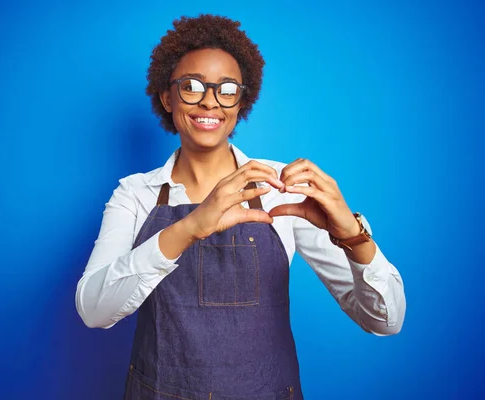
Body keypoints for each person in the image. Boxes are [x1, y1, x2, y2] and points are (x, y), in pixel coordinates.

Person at [75, 14, 406, 400]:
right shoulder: (135, 194)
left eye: (226, 89)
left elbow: (385, 321)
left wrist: (352, 235)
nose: (209, 101)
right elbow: (93, 310)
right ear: (168, 97)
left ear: (241, 101)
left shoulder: (282, 186)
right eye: (192, 87)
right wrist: (189, 227)